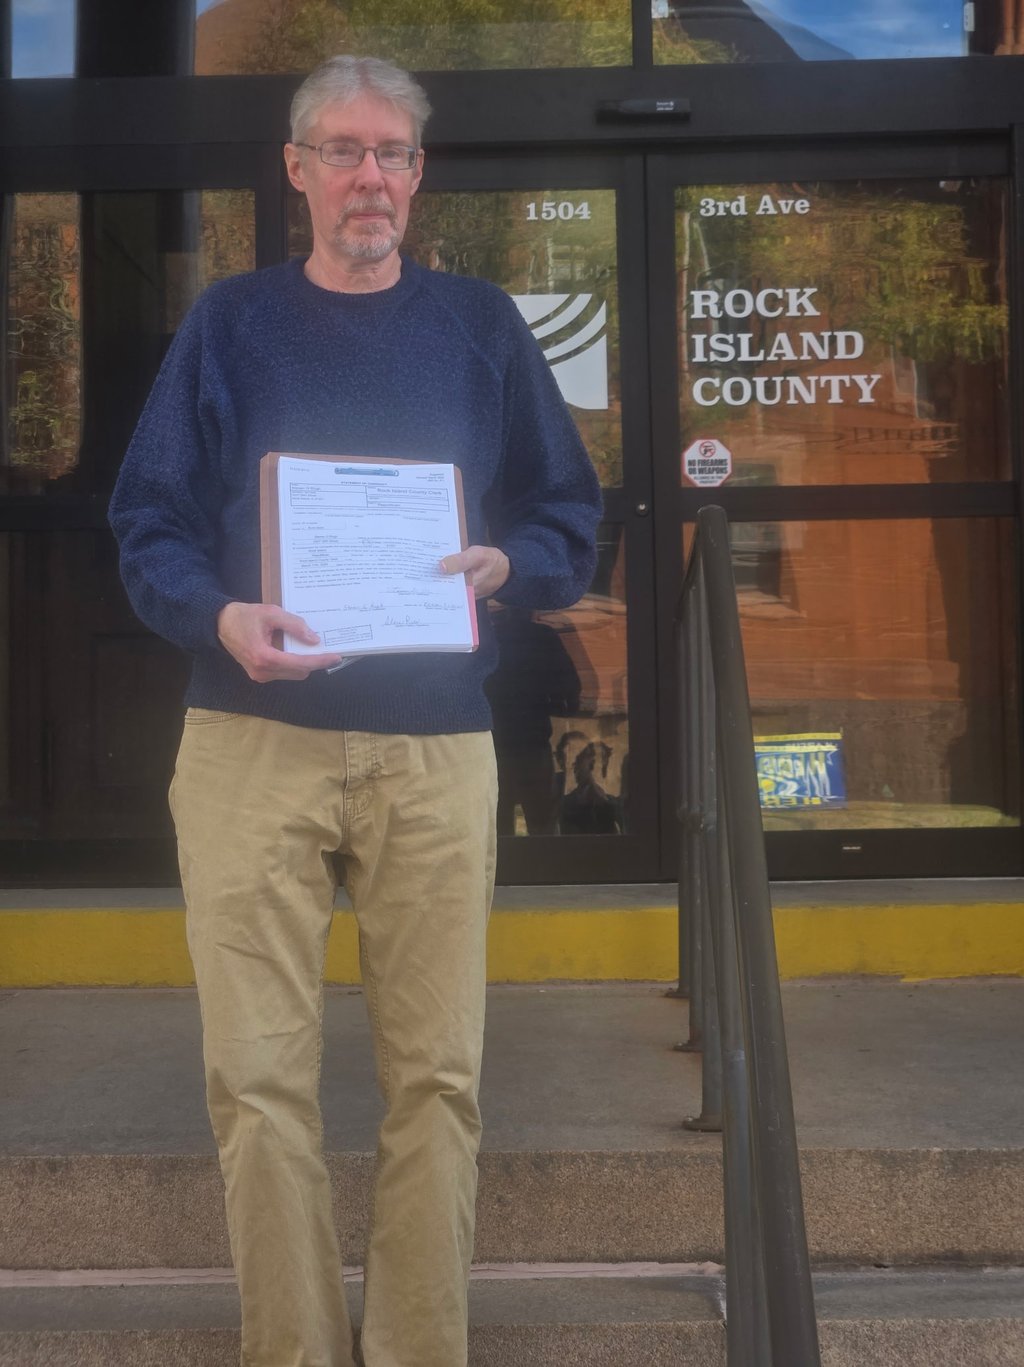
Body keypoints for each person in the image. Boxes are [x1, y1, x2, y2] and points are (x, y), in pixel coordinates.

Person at [108, 54, 601, 1367]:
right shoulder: (229, 322)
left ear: (417, 173)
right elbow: (147, 521)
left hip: (435, 744)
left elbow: (567, 516)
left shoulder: (484, 329)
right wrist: (218, 617)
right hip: (249, 743)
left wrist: (515, 566)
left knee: (435, 1082)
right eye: (342, 149)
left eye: (391, 151)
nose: (368, 175)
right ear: (299, 170)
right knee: (257, 1083)